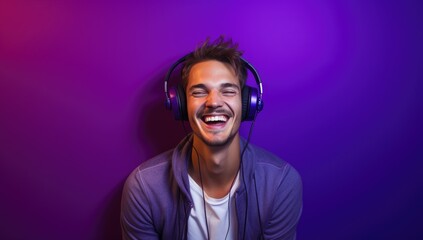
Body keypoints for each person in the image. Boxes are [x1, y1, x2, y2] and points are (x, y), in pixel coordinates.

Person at [120, 36, 303, 240]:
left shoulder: (280, 184)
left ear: (247, 104)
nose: (213, 102)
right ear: (180, 105)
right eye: (199, 92)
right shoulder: (144, 187)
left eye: (228, 90)